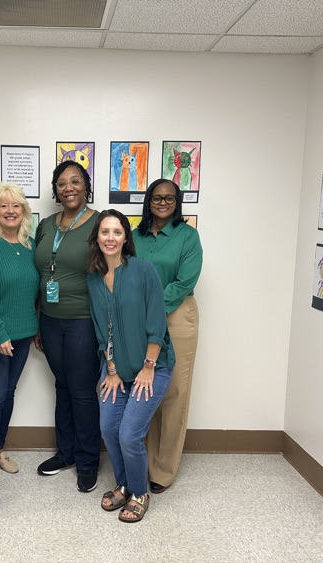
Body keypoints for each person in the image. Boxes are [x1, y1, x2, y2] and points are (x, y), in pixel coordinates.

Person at [86, 209, 174, 523]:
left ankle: (139, 492)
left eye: (117, 232)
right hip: (116, 370)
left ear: (126, 237)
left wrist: (148, 367)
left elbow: (156, 324)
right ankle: (123, 484)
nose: (111, 238)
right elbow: (102, 330)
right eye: (104, 232)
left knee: (128, 436)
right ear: (96, 237)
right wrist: (110, 369)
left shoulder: (143, 270)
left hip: (153, 367)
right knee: (108, 429)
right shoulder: (94, 278)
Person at [33, 161, 101, 493]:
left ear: (86, 186)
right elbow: (39, 275)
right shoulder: (46, 225)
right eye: (62, 183)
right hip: (49, 319)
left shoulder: (101, 223)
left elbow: (115, 271)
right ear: (55, 190)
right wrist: (36, 319)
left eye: (75, 181)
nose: (69, 187)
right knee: (62, 385)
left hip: (83, 320)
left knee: (83, 391)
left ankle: (88, 460)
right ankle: (66, 453)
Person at [133, 179, 202, 495]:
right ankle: (142, 462)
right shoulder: (135, 236)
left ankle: (163, 469)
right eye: (156, 197)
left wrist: (152, 307)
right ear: (148, 201)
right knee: (145, 389)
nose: (162, 202)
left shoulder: (188, 236)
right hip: (139, 319)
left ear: (178, 202)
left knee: (173, 392)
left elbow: (184, 281)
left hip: (176, 318)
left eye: (169, 198)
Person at [0, 183, 39, 484]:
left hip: (25, 332)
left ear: (23, 210)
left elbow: (36, 290)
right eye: (4, 206)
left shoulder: (30, 245)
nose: (11, 211)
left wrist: (37, 327)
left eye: (16, 205)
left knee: (9, 393)